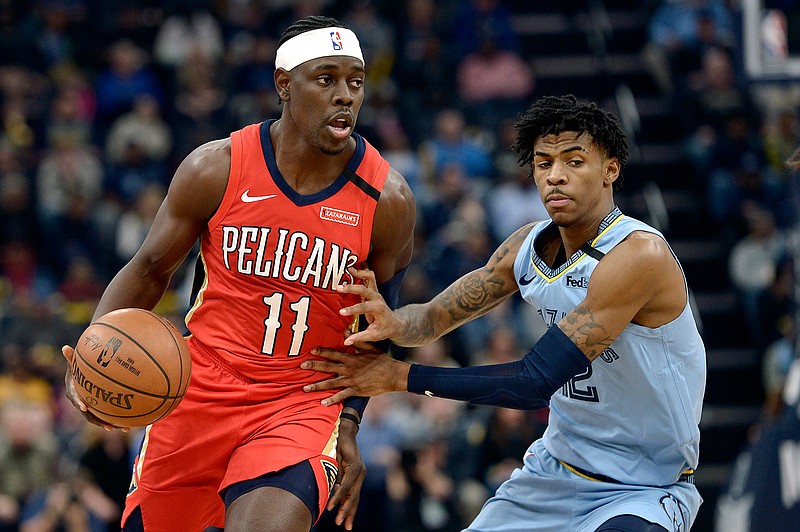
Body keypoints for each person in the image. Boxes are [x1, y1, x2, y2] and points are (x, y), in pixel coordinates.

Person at [60, 15, 416, 532]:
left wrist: (351, 423)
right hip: (199, 385)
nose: (345, 96)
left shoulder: (388, 201)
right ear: (283, 84)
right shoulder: (217, 168)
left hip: (301, 400)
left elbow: (379, 327)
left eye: (355, 83)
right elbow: (149, 269)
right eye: (326, 79)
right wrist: (93, 362)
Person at [303, 94, 707, 531]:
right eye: (543, 162)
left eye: (574, 162)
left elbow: (533, 384)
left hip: (644, 487)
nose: (555, 176)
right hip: (555, 474)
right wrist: (395, 321)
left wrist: (398, 377)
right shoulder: (526, 246)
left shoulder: (636, 255)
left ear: (610, 169)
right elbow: (435, 319)